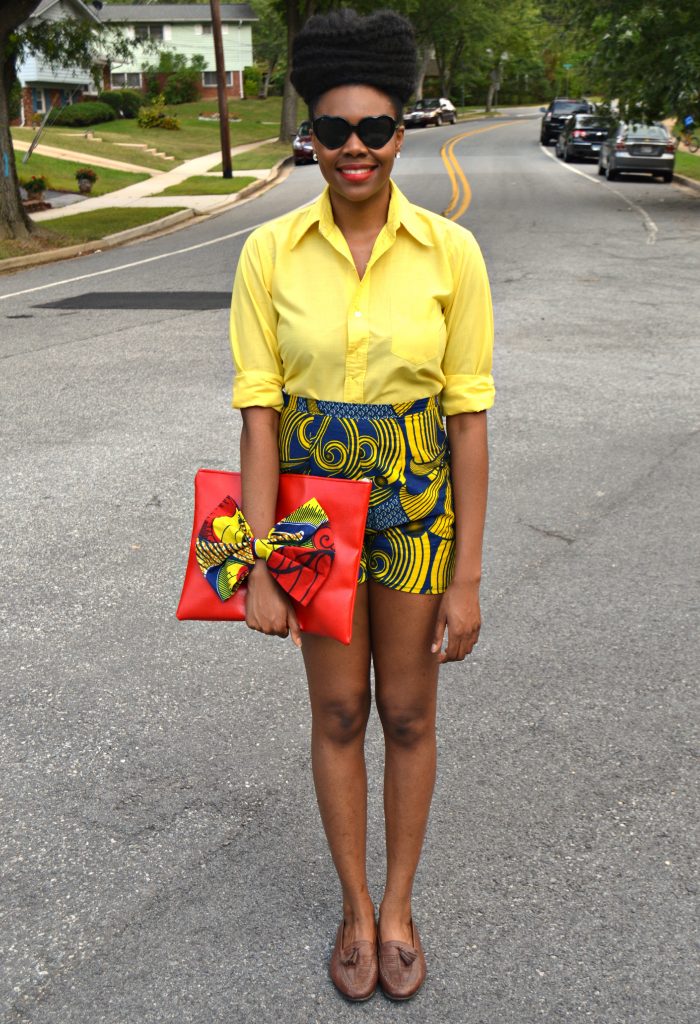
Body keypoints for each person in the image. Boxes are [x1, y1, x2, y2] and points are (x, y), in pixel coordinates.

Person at [229, 8, 494, 1003]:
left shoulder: (448, 255)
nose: (352, 149)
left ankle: (397, 906)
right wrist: (257, 561)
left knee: (409, 712)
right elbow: (260, 419)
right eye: (332, 129)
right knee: (337, 709)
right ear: (309, 134)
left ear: (401, 130)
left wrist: (466, 576)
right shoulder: (268, 255)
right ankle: (350, 905)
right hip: (314, 523)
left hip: (420, 520)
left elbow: (467, 423)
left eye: (373, 129)